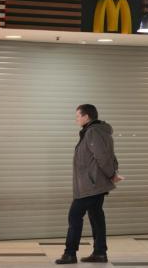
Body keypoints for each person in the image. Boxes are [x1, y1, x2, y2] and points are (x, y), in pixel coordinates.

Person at [56, 104, 124, 265]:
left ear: (86, 116)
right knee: (96, 216)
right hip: (94, 184)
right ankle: (100, 253)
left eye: (78, 116)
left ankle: (70, 253)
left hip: (91, 186)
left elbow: (103, 156)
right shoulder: (94, 131)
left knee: (74, 216)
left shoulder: (93, 132)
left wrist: (112, 175)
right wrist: (111, 174)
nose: (76, 119)